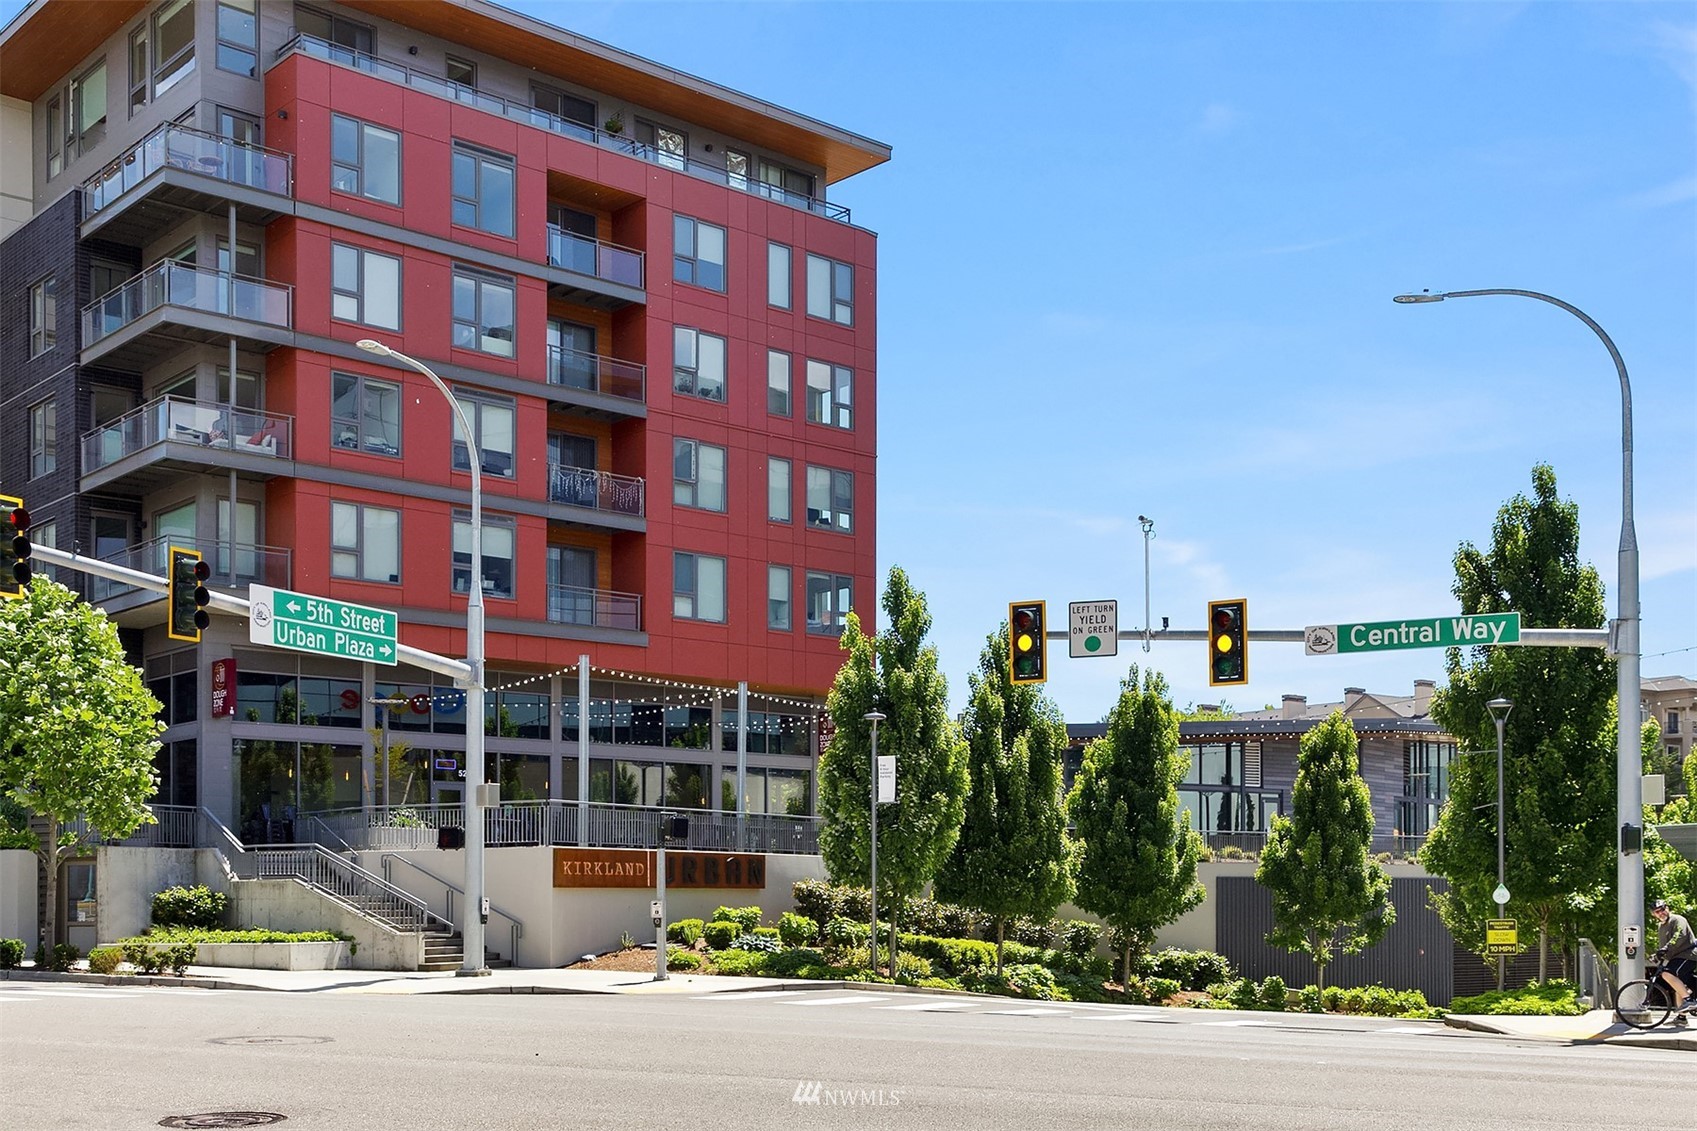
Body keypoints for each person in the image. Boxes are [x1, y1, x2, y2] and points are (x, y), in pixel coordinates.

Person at [1650, 898, 1695, 1023]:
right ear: (1654, 915)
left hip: (1689, 954)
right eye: (1657, 912)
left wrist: (1666, 949)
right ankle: (1682, 1017)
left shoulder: (1678, 919)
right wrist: (1657, 955)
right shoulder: (1661, 927)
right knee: (1678, 985)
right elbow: (1664, 946)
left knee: (1667, 974)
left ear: (1667, 908)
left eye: (1662, 909)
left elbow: (1679, 936)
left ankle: (1689, 1000)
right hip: (1678, 957)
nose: (1661, 913)